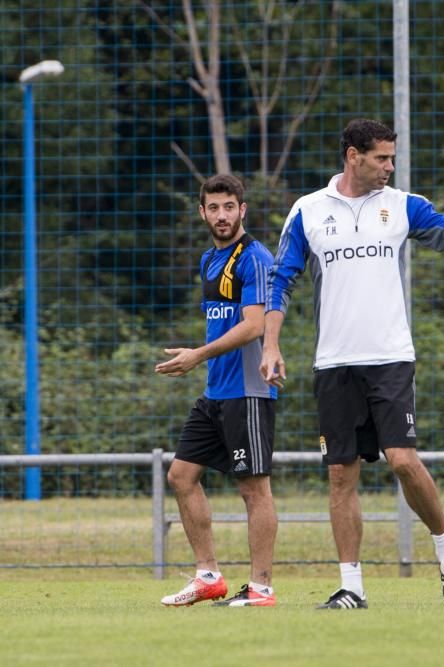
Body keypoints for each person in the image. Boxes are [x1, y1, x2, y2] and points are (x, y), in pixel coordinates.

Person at [260, 118, 444, 609]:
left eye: (392, 158)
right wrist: (271, 345)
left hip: (391, 358)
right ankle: (352, 587)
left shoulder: (402, 206)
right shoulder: (308, 210)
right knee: (340, 474)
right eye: (381, 158)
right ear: (353, 156)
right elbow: (280, 282)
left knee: (402, 460)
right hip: (334, 362)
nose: (389, 167)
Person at [157, 174, 279, 607]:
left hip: (247, 393)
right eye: (214, 207)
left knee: (253, 489)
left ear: (242, 210)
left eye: (230, 207)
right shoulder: (209, 260)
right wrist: (202, 359)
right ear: (202, 212)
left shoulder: (255, 257)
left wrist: (197, 355)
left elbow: (253, 325)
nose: (222, 215)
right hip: (216, 393)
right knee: (181, 476)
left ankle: (262, 588)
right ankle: (208, 576)